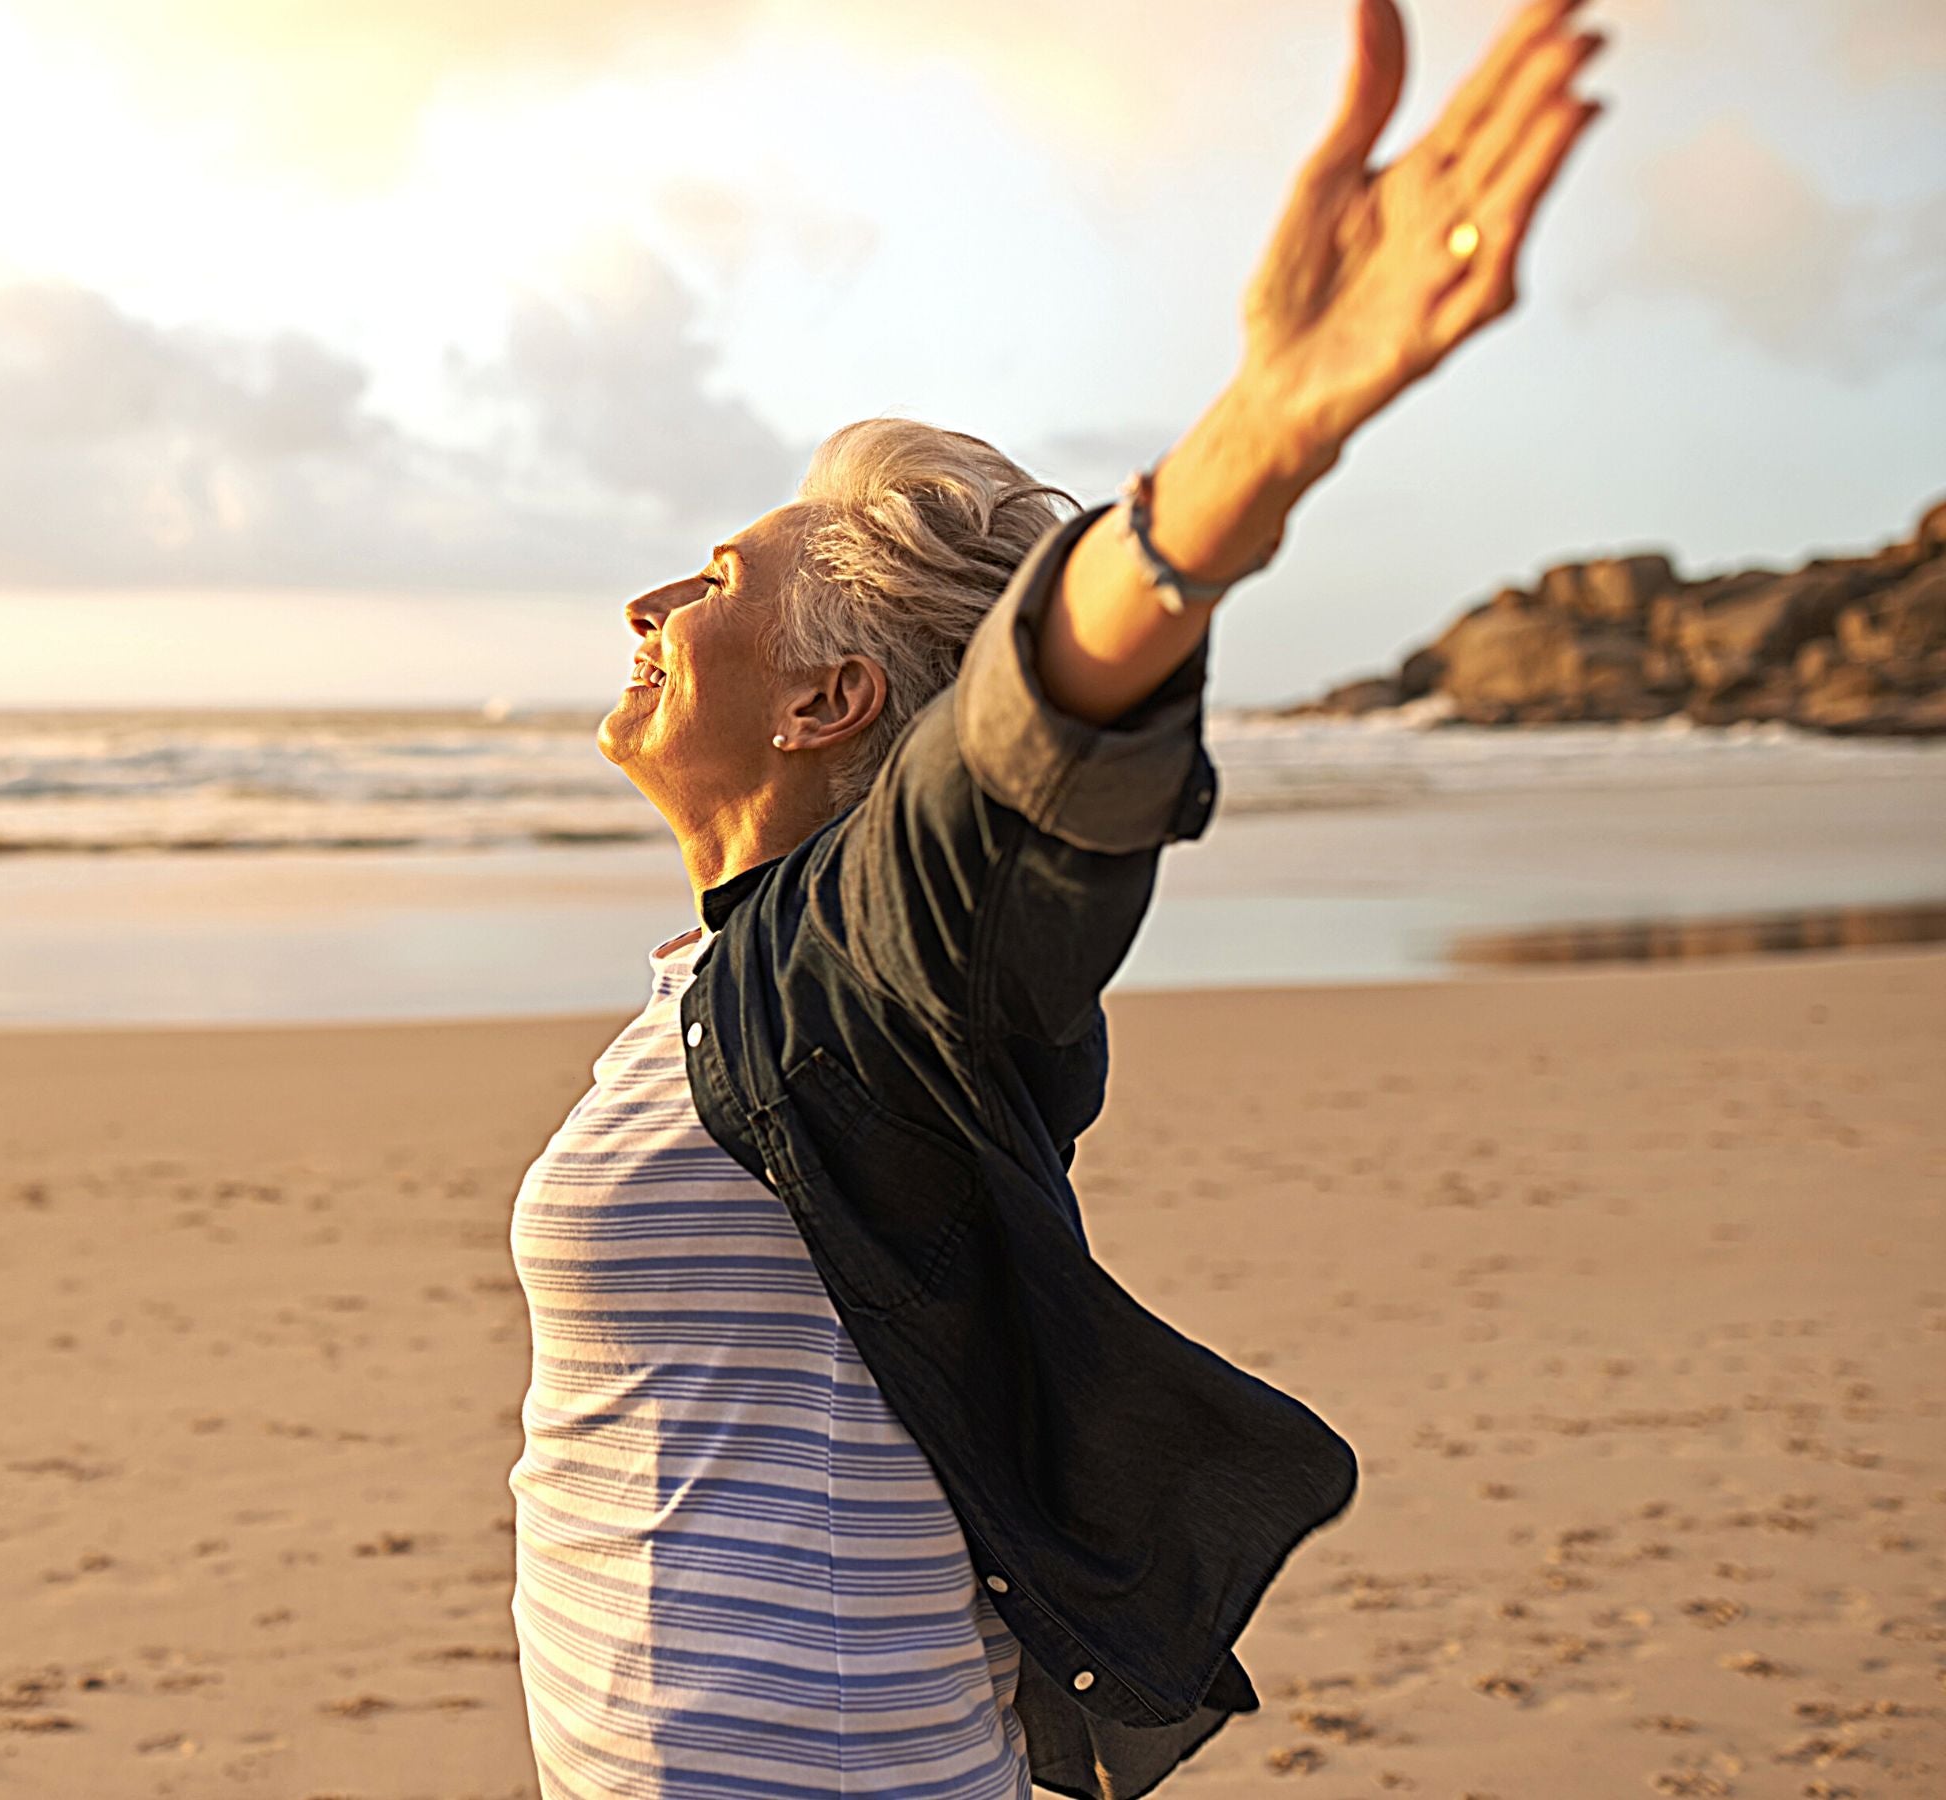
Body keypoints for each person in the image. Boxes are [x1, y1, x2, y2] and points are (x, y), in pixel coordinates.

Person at [502, 1, 1609, 1794]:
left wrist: (1263, 434)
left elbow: (1034, 738)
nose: (648, 600)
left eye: (710, 581)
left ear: (826, 701)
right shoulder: (728, 988)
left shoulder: (877, 969)